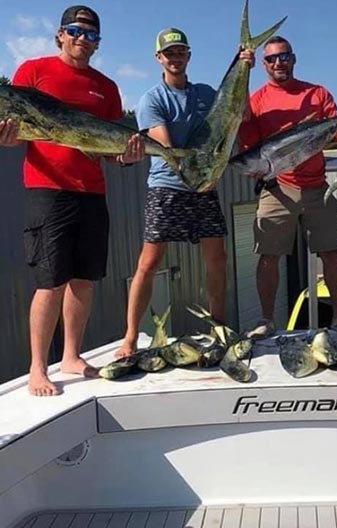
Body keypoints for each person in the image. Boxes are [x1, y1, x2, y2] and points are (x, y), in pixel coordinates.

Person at [0, 5, 144, 396]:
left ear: (98, 44)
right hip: (48, 190)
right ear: (60, 35)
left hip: (93, 191)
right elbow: (17, 128)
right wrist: (6, 138)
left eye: (90, 35)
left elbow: (113, 146)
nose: (82, 39)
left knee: (84, 280)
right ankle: (37, 367)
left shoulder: (108, 87)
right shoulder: (32, 71)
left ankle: (71, 356)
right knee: (50, 281)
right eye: (75, 31)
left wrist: (126, 157)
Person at [115, 29, 255, 357]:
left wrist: (245, 69)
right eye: (169, 53)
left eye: (181, 52)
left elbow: (240, 113)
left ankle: (218, 328)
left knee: (217, 259)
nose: (175, 58)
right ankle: (131, 336)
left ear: (188, 56)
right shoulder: (151, 99)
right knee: (149, 262)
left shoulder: (207, 93)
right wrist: (207, 164)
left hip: (204, 186)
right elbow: (168, 147)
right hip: (168, 186)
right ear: (159, 58)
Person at [238, 36, 337, 339]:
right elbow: (248, 144)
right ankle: (266, 319)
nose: (278, 63)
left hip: (318, 186)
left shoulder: (318, 93)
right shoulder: (256, 100)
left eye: (284, 56)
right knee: (268, 255)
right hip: (278, 187)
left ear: (293, 59)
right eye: (271, 59)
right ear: (264, 64)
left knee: (331, 253)